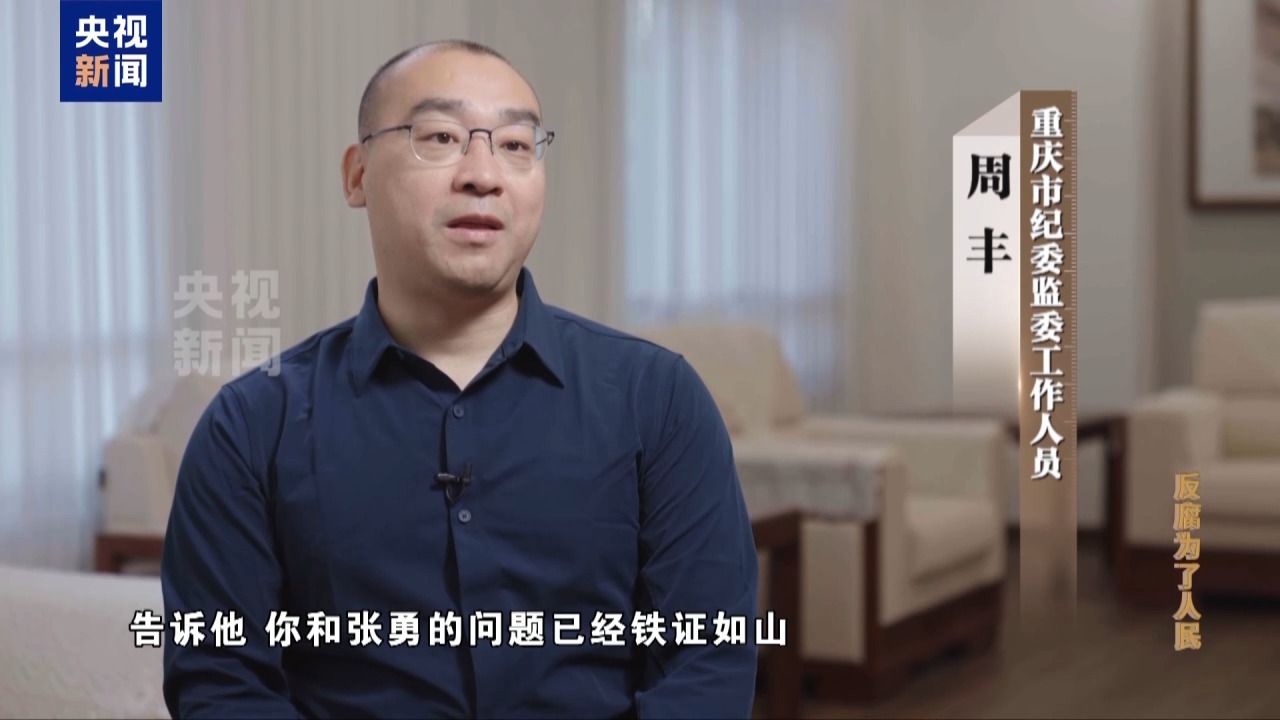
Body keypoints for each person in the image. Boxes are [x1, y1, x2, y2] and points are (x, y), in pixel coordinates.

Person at [161, 39, 759, 719]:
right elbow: (219, 680)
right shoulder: (251, 426)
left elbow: (708, 663)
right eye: (440, 137)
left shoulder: (658, 400)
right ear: (357, 175)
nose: (484, 175)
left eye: (516, 144)